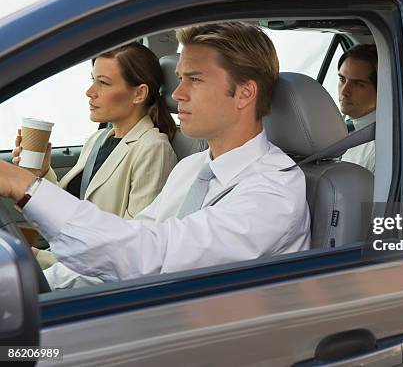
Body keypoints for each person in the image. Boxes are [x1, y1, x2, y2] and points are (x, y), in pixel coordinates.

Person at [0, 22, 311, 283]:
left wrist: (26, 187)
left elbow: (152, 256)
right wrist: (45, 286)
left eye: (195, 80)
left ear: (244, 93)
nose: (177, 94)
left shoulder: (273, 194)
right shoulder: (191, 169)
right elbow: (126, 246)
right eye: (180, 79)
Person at [14, 43, 178, 271]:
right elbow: (70, 212)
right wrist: (38, 176)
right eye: (93, 80)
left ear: (139, 93)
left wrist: (39, 258)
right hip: (65, 261)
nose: (90, 91)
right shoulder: (98, 139)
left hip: (92, 277)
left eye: (103, 83)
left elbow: (132, 251)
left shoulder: (153, 148)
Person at [337, 44, 377, 173]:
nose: (344, 91)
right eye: (342, 79)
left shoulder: (380, 149)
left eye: (358, 84)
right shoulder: (330, 126)